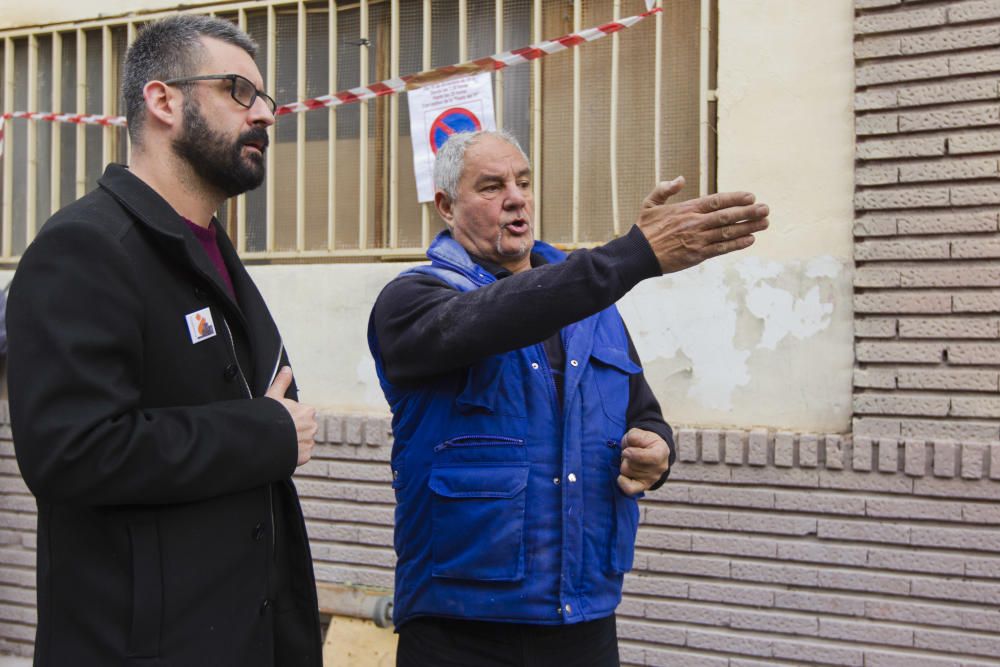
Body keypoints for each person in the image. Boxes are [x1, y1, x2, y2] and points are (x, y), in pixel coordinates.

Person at [368, 130, 770, 666]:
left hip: (583, 619)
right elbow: (501, 315)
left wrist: (657, 452)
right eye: (491, 187)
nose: (515, 197)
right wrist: (632, 256)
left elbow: (641, 411)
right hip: (460, 628)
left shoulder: (593, 305)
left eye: (524, 182)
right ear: (446, 205)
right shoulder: (414, 301)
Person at [7, 14, 323, 667]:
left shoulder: (216, 254)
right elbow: (73, 452)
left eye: (267, 99)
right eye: (240, 91)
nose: (263, 114)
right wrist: (266, 433)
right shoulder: (85, 247)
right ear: (162, 101)